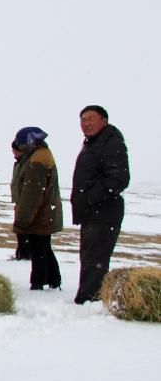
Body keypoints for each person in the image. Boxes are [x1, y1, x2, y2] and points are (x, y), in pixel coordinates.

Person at [72, 105, 130, 304]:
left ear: (104, 121)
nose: (85, 124)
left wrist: (90, 198)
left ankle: (90, 300)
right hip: (93, 213)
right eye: (82, 120)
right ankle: (88, 298)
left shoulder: (111, 142)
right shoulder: (94, 143)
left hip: (103, 212)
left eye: (90, 119)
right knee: (89, 259)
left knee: (95, 260)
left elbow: (119, 178)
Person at [11, 127, 62, 290]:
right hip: (45, 212)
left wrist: (23, 220)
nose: (20, 147)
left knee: (38, 248)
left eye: (22, 144)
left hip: (39, 215)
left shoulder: (37, 160)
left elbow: (32, 194)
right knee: (44, 247)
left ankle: (38, 284)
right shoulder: (43, 154)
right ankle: (54, 279)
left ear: (30, 142)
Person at [9, 140, 31, 261]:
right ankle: (21, 253)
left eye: (14, 149)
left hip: (24, 201)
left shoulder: (25, 162)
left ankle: (25, 254)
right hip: (19, 201)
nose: (12, 151)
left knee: (23, 229)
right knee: (19, 229)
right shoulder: (18, 163)